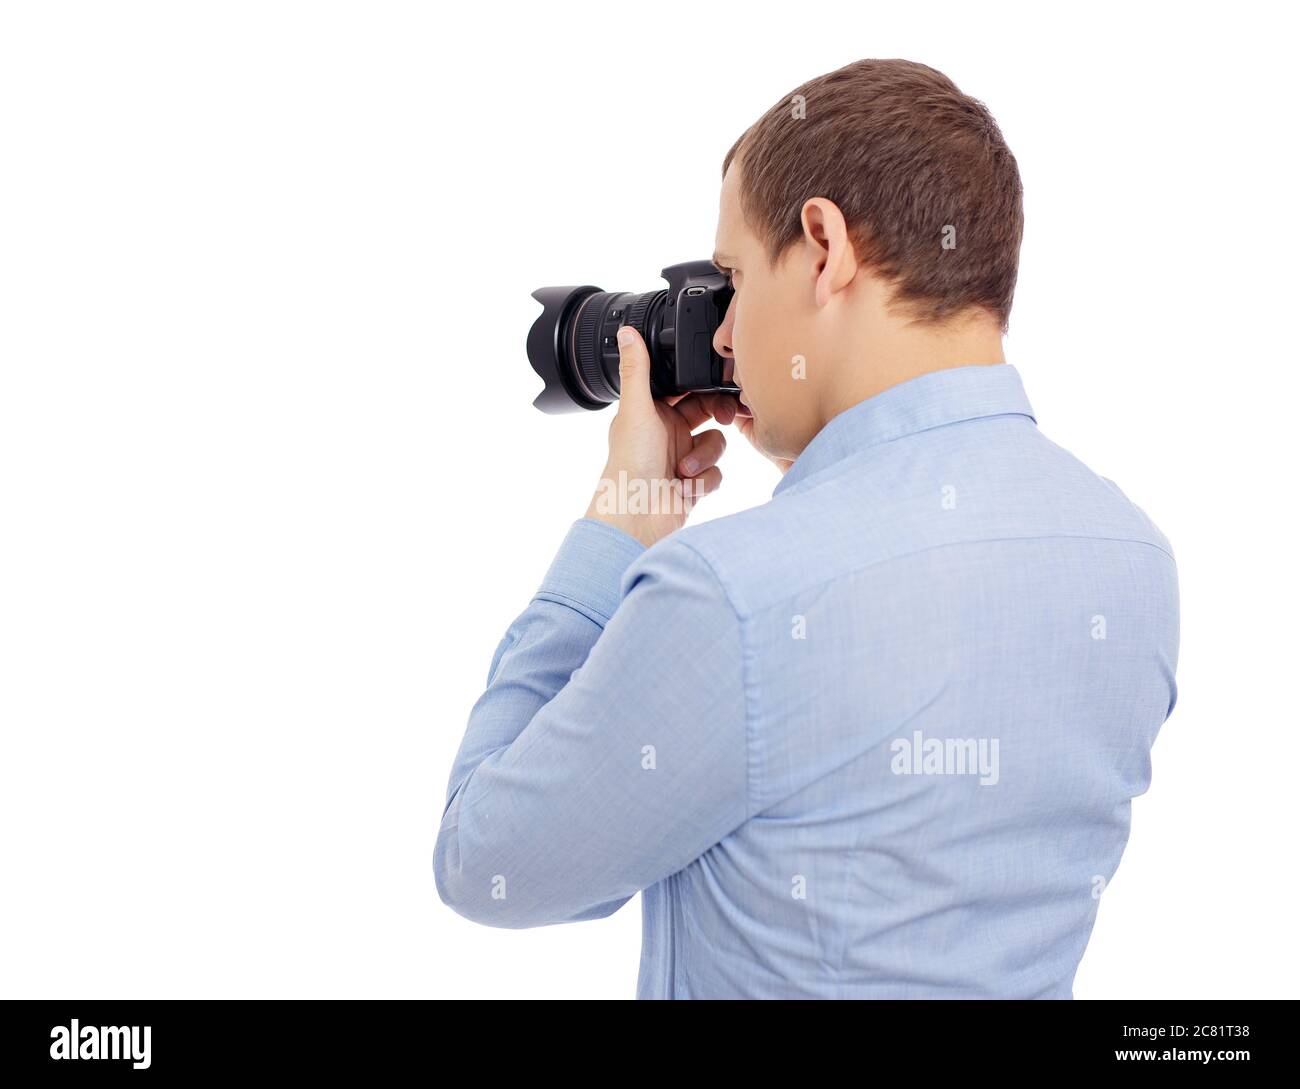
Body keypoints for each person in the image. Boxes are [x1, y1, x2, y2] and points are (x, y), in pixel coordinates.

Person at [434, 58, 1180, 999]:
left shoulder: (731, 596)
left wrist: (622, 520)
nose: (728, 336)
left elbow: (486, 856)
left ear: (823, 245)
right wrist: (830, 458)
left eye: (734, 279)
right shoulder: (1133, 556)